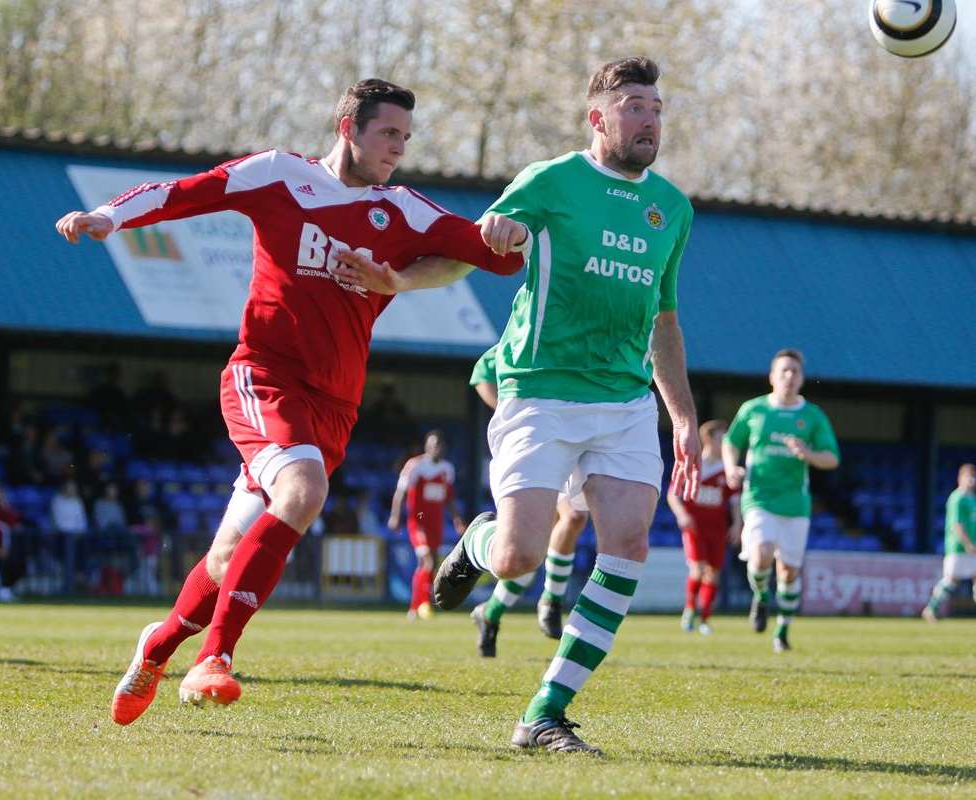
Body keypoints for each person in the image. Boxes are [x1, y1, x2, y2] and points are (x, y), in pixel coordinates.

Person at [56, 78, 527, 725]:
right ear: (348, 128)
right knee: (303, 493)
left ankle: (158, 646)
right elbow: (183, 193)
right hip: (264, 376)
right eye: (387, 133)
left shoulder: (405, 212)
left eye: (405, 138)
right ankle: (214, 658)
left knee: (226, 559)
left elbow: (494, 259)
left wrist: (505, 235)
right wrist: (109, 216)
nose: (398, 148)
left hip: (334, 407)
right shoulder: (280, 177)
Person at [335, 57, 700, 754]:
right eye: (631, 105)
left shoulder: (672, 209)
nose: (647, 118)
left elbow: (665, 323)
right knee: (517, 557)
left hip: (624, 402)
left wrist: (681, 417)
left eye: (655, 106)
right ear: (597, 117)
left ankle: (544, 712)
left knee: (625, 543)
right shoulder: (551, 181)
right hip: (539, 389)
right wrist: (418, 274)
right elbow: (477, 246)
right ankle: (477, 542)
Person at [468, 344, 589, 656]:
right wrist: (510, 412)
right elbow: (482, 371)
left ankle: (499, 611)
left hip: (572, 439)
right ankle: (545, 600)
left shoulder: (584, 334)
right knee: (535, 540)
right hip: (536, 444)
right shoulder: (532, 334)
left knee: (565, 523)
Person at [722, 349, 840, 653]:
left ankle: (782, 631)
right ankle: (761, 596)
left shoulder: (812, 415)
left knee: (788, 572)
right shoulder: (754, 410)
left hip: (795, 504)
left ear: (801, 379)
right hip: (759, 496)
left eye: (795, 372)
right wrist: (730, 467)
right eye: (783, 371)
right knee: (761, 554)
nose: (789, 376)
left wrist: (807, 454)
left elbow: (831, 458)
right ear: (772, 376)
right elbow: (730, 442)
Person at [667, 419, 742, 635]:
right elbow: (673, 494)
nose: (726, 444)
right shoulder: (693, 464)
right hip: (694, 526)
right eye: (722, 439)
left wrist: (737, 524)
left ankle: (705, 619)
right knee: (698, 568)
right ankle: (690, 609)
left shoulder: (727, 470)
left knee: (713, 573)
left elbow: (735, 501)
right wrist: (682, 515)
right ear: (708, 439)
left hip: (717, 528)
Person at [388, 429, 464, 620]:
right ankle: (422, 604)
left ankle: (416, 606)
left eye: (439, 445)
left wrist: (456, 519)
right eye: (433, 445)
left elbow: (449, 496)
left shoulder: (447, 468)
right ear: (426, 447)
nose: (436, 448)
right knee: (427, 560)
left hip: (435, 520)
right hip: (419, 519)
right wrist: (395, 516)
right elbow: (400, 493)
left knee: (431, 563)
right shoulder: (415, 466)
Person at [922, 463, 976, 622]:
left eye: (974, 476)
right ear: (960, 478)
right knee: (951, 580)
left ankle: (931, 609)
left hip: (973, 547)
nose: (972, 480)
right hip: (959, 548)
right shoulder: (957, 498)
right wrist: (968, 544)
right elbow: (956, 525)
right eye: (968, 476)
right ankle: (931, 608)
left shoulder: (973, 499)